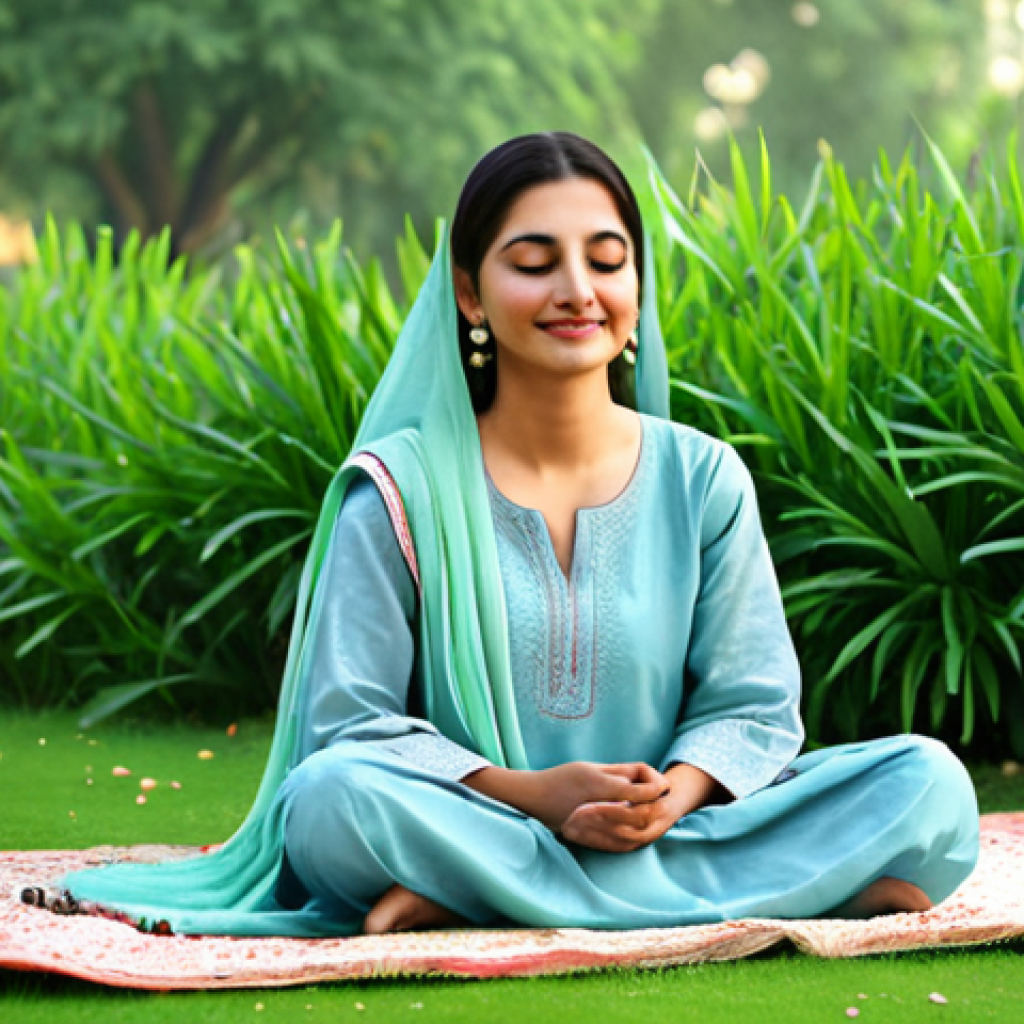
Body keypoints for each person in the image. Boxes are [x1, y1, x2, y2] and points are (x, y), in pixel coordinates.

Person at [53, 133, 979, 938]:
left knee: (927, 780)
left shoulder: (702, 477)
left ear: (636, 285)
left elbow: (754, 705)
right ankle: (778, 889)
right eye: (535, 262)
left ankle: (472, 897)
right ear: (469, 290)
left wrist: (673, 796)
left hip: (668, 823)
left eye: (607, 260)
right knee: (332, 806)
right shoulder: (401, 489)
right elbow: (352, 728)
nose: (578, 291)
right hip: (477, 813)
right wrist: (533, 795)